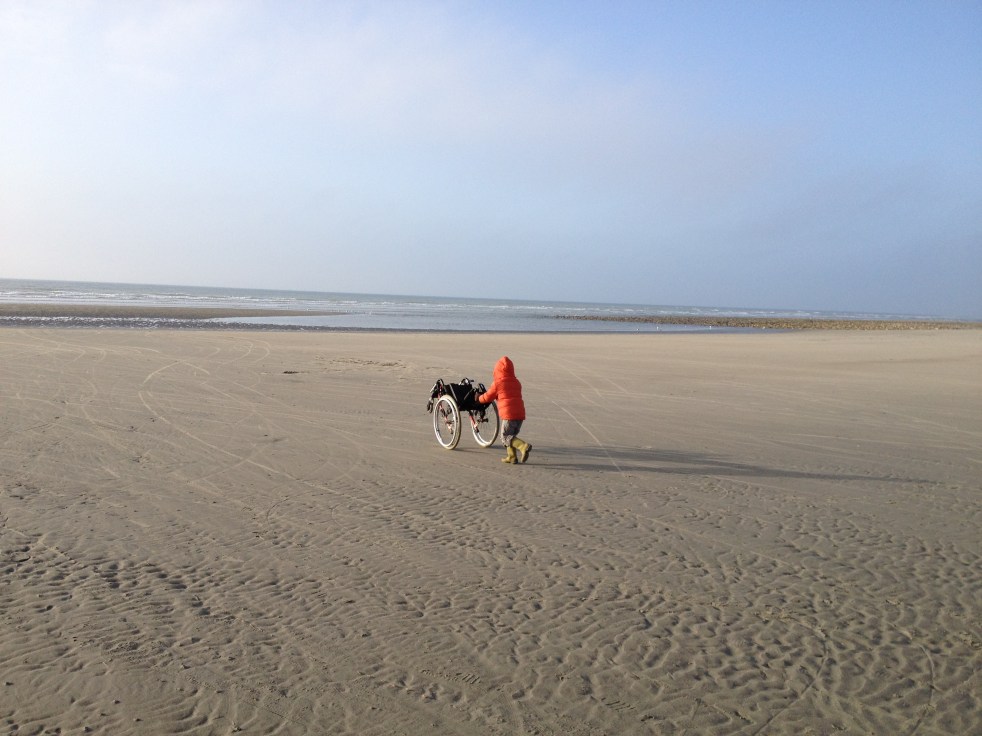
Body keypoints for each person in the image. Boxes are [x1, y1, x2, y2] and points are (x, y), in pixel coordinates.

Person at [476, 356, 531, 464]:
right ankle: (512, 457)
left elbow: (488, 396)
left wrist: (479, 399)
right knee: (511, 435)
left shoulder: (498, 383)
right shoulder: (517, 382)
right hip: (520, 413)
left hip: (509, 414)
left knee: (505, 436)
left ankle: (523, 446)